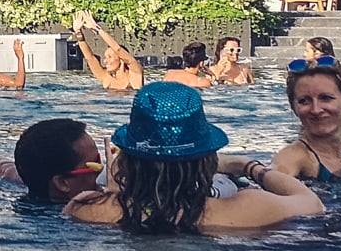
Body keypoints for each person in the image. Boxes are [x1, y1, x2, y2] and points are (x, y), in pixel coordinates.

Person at [65, 83, 324, 233]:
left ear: (130, 157)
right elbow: (311, 204)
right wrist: (250, 167)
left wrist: (117, 189)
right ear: (206, 159)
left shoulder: (87, 208)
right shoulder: (248, 208)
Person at [273, 59, 341, 181]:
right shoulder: (292, 158)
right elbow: (267, 191)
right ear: (294, 108)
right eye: (304, 101)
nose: (316, 110)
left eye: (325, 98)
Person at [0, 117, 105, 203]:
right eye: (95, 165)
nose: (103, 169)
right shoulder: (91, 221)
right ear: (63, 183)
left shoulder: (29, 179)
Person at [70, 9, 144, 92]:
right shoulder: (105, 77)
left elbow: (118, 50)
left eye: (110, 57)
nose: (105, 61)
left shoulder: (135, 74)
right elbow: (90, 58)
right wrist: (78, 32)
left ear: (121, 59)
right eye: (105, 57)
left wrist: (97, 29)